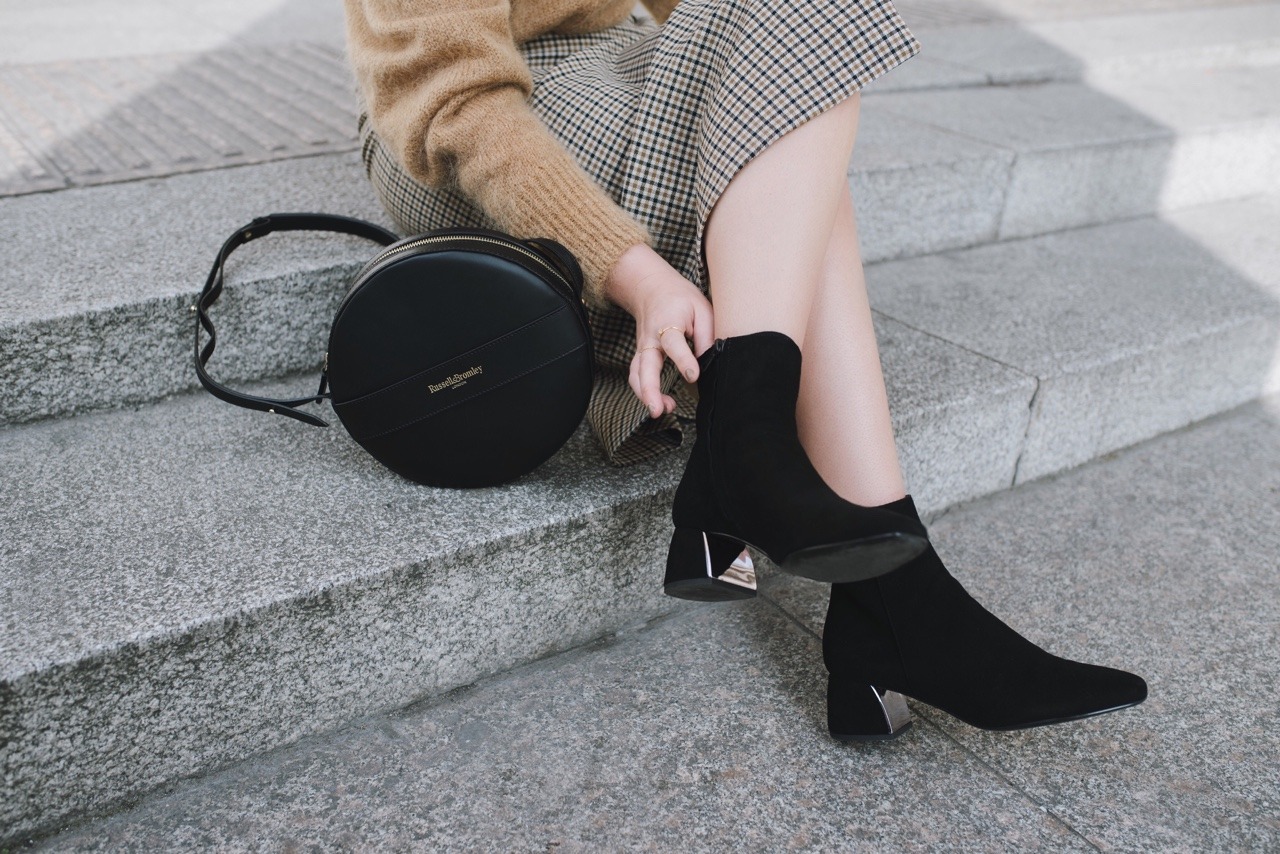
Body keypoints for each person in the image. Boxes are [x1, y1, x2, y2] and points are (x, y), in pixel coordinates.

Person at [342, 0, 1147, 740]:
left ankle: (781, 493)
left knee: (797, 75)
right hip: (472, 116)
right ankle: (885, 590)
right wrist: (636, 273)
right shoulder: (457, 102)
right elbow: (452, 99)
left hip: (622, 57)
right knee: (785, 119)